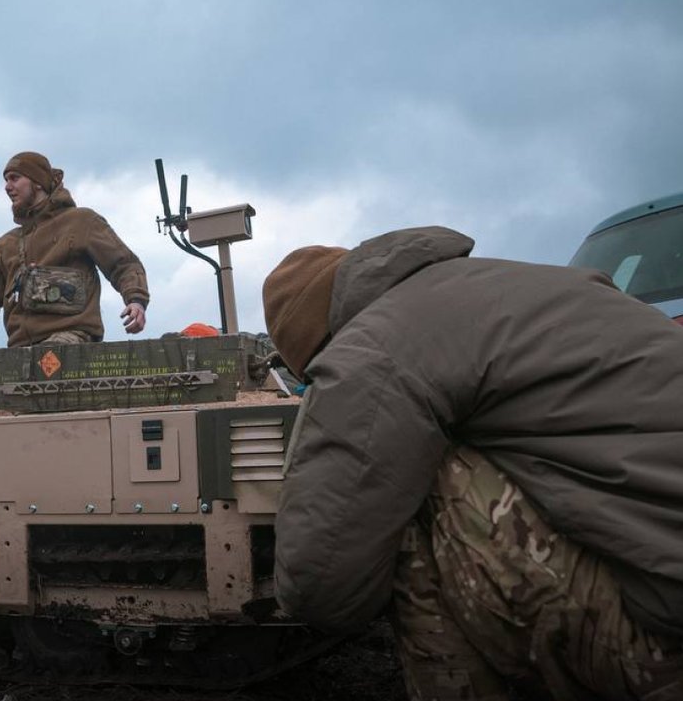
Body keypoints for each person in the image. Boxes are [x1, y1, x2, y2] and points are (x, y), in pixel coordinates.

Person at [262, 226, 683, 700]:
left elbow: (320, 589)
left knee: (408, 490)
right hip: (661, 572)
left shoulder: (373, 345)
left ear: (318, 345)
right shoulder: (512, 283)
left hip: (660, 636)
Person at [0, 151, 150, 378]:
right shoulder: (5, 245)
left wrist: (136, 300)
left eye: (15, 178)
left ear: (37, 182)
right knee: (7, 389)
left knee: (47, 363)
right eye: (6, 180)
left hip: (71, 339)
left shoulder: (81, 222)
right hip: (21, 351)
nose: (7, 186)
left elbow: (124, 264)